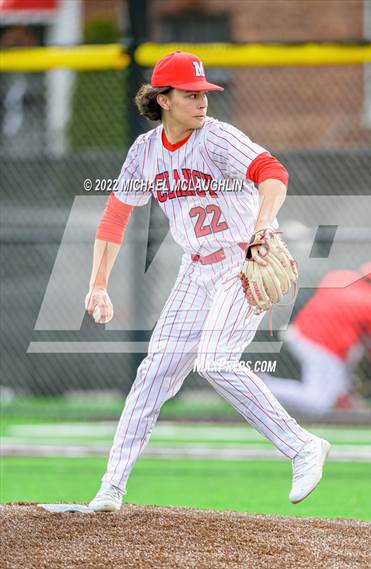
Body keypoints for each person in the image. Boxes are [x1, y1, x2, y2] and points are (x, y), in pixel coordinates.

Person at [86, 51, 330, 512]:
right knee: (151, 376)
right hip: (195, 271)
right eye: (190, 94)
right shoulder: (145, 151)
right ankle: (111, 489)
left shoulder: (217, 138)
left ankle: (302, 447)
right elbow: (116, 213)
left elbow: (273, 173)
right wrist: (98, 283)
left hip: (243, 262)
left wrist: (263, 225)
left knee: (215, 361)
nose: (202, 102)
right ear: (162, 99)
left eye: (204, 93)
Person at [261, 263, 371, 415]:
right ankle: (262, 386)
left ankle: (345, 397)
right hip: (323, 346)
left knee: (354, 354)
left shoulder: (338, 277)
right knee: (319, 403)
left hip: (298, 333)